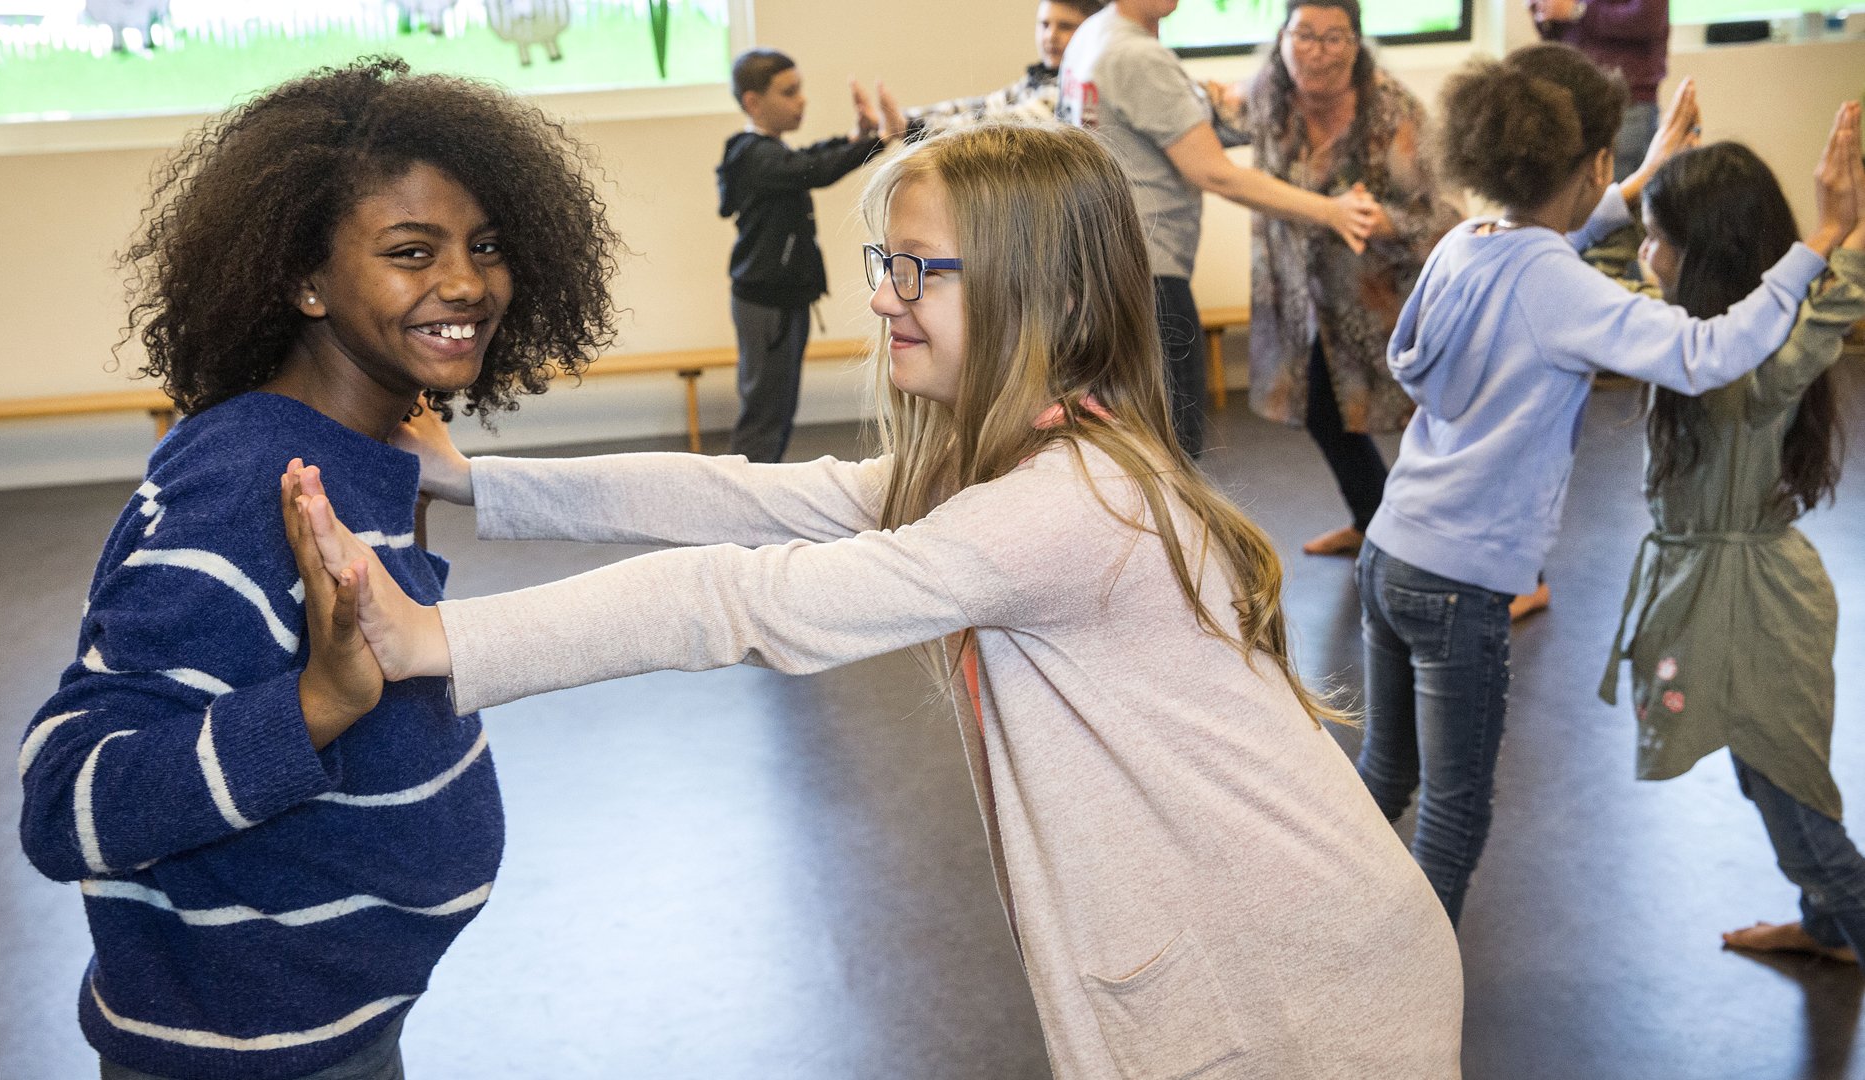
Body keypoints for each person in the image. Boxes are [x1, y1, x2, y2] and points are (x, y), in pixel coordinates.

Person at [287, 124, 1465, 1078]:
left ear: (1033, 290)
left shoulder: (1064, 506)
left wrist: (434, 638)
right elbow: (746, 502)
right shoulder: (1001, 462)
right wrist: (475, 483)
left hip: (1307, 990)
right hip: (1264, 962)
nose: (887, 298)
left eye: (918, 271)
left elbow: (738, 599)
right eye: (883, 267)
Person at [15, 58, 620, 1080]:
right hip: (238, 1058)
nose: (466, 282)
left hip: (332, 1030)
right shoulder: (249, 486)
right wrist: (312, 708)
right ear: (303, 279)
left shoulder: (367, 454)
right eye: (409, 251)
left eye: (485, 246)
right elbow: (68, 800)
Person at [1355, 44, 1859, 926]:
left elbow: (1544, 253)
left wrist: (1638, 181)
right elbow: (1708, 352)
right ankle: (1397, 997)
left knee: (1384, 777)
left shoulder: (1466, 246)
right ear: (1594, 161)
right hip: (1460, 584)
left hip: (1390, 551)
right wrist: (1820, 239)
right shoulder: (1566, 291)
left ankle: (1324, 937)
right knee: (1454, 814)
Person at [1595, 137, 1865, 962]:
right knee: (1765, 770)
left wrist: (1838, 227)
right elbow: (1597, 271)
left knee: (1794, 798)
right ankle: (1827, 929)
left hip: (1756, 606)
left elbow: (1832, 307)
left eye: (1659, 237)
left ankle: (1841, 915)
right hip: (1716, 589)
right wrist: (1641, 178)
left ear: (1708, 255)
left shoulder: (1755, 367)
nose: (1645, 254)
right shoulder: (1680, 331)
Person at [1056, 0, 1379, 458]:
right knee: (1175, 447)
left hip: (1101, 268)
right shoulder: (1138, 56)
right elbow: (1214, 172)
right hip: (1149, 277)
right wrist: (1332, 211)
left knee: (1133, 444)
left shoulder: (1093, 36)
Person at [1217, 0, 1460, 557]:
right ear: (1281, 38)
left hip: (1390, 300)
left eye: (1334, 38)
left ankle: (1509, 567)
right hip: (1304, 302)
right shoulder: (1266, 97)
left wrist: (1386, 221)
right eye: (1303, 34)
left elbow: (1446, 214)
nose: (1317, 52)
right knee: (1325, 413)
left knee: (1435, 424)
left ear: (1356, 46)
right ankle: (1375, 523)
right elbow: (1196, 134)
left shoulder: (1392, 114)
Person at [720, 48, 904, 463]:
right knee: (765, 412)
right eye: (789, 92)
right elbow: (813, 169)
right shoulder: (751, 155)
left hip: (780, 300)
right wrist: (879, 141)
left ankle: (755, 491)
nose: (801, 100)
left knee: (776, 409)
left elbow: (811, 157)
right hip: (768, 303)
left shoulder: (768, 152)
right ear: (753, 102)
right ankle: (745, 495)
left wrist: (862, 142)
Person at [902, 0, 1103, 140]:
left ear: (1091, 30)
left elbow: (1001, 124)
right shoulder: (1041, 77)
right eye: (1044, 25)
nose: (1050, 36)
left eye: (1066, 27)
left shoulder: (1076, 86)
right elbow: (982, 106)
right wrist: (905, 117)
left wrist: (909, 127)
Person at [1532, 0, 1670, 180]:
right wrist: (1545, 8)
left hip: (1626, 104)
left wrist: (1577, 10)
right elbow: (1555, 32)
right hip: (1574, 102)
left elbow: (1648, 19)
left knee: (1619, 198)